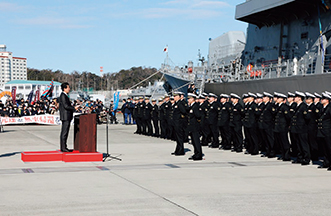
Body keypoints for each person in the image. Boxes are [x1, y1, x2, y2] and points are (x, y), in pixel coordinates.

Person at [59, 82, 78, 152]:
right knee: (64, 132)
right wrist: (74, 108)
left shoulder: (65, 95)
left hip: (67, 116)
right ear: (64, 88)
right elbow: (66, 106)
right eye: (68, 87)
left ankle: (64, 146)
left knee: (65, 132)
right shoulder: (63, 96)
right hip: (65, 116)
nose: (69, 89)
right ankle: (63, 147)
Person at [187, 93, 203, 160]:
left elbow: (198, 115)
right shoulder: (191, 106)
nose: (188, 100)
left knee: (196, 141)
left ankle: (199, 155)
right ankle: (196, 153)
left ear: (192, 99)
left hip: (195, 127)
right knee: (193, 141)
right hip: (191, 127)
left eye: (189, 99)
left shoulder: (196, 106)